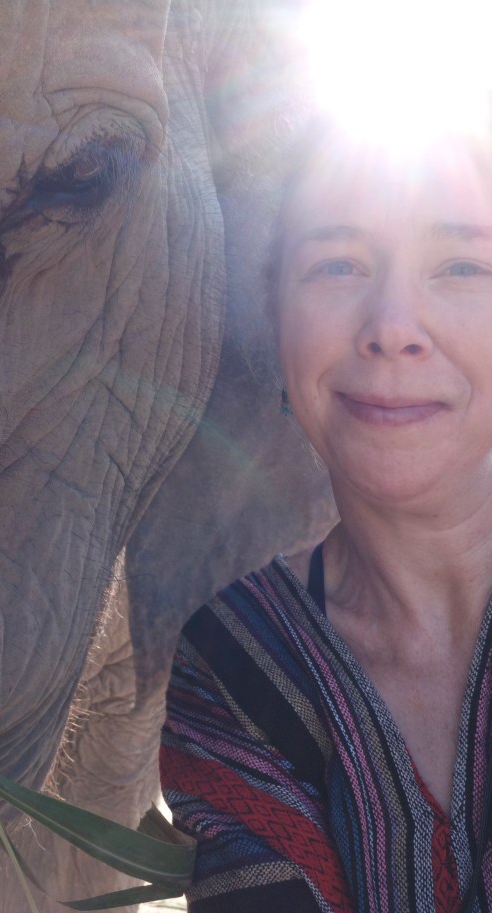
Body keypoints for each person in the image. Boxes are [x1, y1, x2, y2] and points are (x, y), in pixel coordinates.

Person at [160, 120, 492, 913]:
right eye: (336, 264)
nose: (391, 328)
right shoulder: (234, 660)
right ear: (274, 319)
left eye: (460, 266)